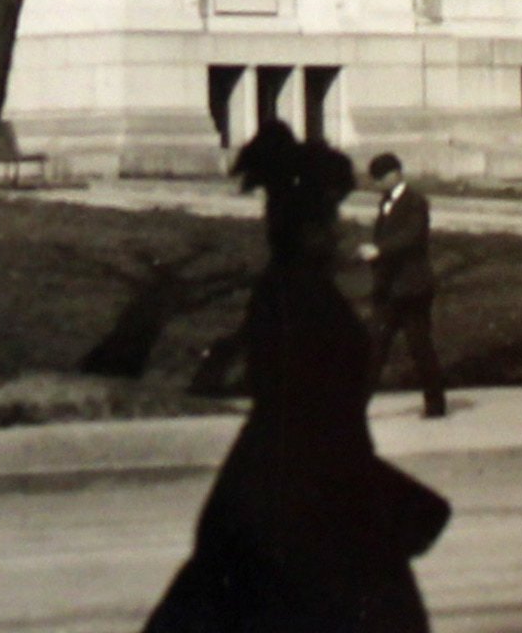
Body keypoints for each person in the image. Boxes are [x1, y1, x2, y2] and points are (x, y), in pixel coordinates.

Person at [145, 122, 448, 632]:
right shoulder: (299, 298)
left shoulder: (293, 290)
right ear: (304, 229)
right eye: (327, 220)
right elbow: (308, 418)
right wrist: (387, 503)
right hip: (304, 504)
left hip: (294, 489)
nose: (335, 233)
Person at [362, 151, 447, 420]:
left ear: (394, 174)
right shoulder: (386, 203)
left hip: (412, 288)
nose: (376, 185)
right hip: (389, 289)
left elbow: (412, 237)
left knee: (419, 347)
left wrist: (379, 251)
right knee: (375, 346)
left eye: (379, 179)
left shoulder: (415, 202)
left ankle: (435, 404)